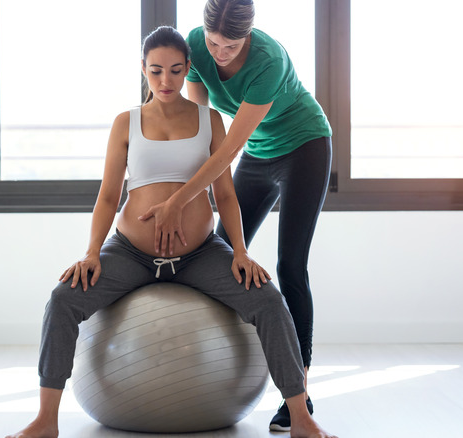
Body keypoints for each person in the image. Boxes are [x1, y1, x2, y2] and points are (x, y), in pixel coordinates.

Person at [5, 26, 335, 438]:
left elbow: (227, 196)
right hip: (130, 253)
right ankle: (45, 420)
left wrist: (239, 251)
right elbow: (108, 197)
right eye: (156, 70)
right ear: (142, 69)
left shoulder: (209, 119)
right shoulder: (125, 123)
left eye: (176, 71)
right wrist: (92, 252)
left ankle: (301, 418)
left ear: (188, 70)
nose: (166, 81)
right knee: (62, 298)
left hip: (200, 254)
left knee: (268, 299)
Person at [136, 0, 333, 432]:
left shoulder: (269, 61)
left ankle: (297, 395)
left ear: (249, 36)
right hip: (259, 155)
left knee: (290, 266)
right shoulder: (193, 46)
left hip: (303, 147)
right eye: (213, 43)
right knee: (221, 253)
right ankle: (212, 366)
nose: (220, 52)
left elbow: (226, 150)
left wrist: (180, 201)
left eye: (231, 45)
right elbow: (204, 119)